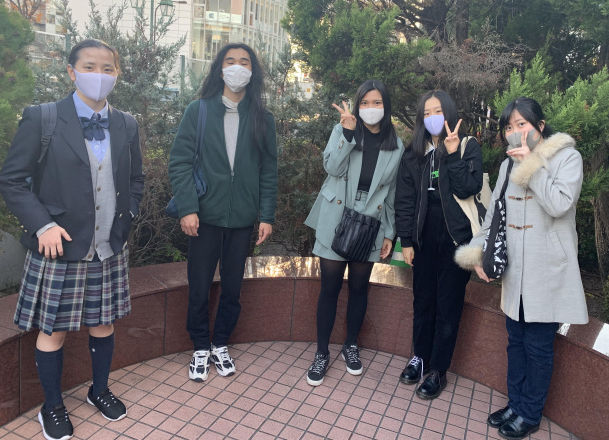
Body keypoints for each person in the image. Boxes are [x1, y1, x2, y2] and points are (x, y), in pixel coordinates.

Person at [0, 39, 144, 440]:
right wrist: (41, 225)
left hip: (108, 246)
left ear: (117, 74)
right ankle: (52, 406)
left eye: (108, 68)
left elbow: (136, 178)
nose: (99, 75)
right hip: (59, 247)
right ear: (71, 71)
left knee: (103, 323)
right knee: (53, 330)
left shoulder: (127, 123)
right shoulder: (43, 118)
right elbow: (12, 180)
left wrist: (128, 217)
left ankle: (99, 390)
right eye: (90, 67)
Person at [455, 97, 588, 439]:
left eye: (522, 124)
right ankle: (515, 403)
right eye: (509, 127)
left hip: (549, 270)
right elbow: (494, 215)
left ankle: (530, 412)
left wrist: (530, 164)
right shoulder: (506, 165)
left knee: (538, 346)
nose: (515, 132)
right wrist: (479, 253)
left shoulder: (567, 158)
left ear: (540, 125)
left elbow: (559, 204)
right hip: (516, 270)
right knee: (515, 341)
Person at [168, 43, 277, 383]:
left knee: (232, 288)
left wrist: (266, 215)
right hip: (204, 218)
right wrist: (188, 208)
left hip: (242, 219)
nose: (237, 67)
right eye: (230, 61)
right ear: (219, 69)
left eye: (244, 62)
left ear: (252, 72)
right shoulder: (198, 110)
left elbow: (268, 170)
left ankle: (220, 344)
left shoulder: (263, 118)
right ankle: (200, 345)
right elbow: (179, 162)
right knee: (199, 287)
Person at [304, 80, 404, 386]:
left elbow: (391, 193)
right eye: (365, 103)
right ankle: (322, 352)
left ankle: (350, 345)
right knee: (329, 288)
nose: (370, 109)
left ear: (386, 106)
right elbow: (332, 168)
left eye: (377, 103)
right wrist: (347, 134)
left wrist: (390, 233)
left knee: (360, 288)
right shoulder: (343, 130)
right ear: (357, 106)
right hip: (335, 217)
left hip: (370, 223)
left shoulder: (396, 144)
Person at [394, 90, 484, 399]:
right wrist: (406, 241)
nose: (432, 118)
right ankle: (420, 357)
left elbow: (468, 187)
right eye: (426, 113)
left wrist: (453, 154)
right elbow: (404, 200)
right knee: (423, 300)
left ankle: (438, 370)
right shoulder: (414, 153)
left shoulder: (468, 145)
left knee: (448, 304)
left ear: (449, 113)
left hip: (456, 238)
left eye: (438, 111)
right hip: (423, 236)